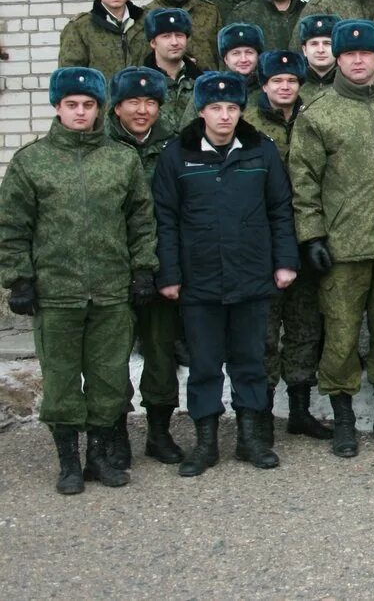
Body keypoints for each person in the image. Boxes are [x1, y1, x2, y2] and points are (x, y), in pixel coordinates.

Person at [0, 68, 156, 493]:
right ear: (57, 108)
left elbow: (141, 220)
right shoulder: (32, 162)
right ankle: (68, 461)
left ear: (100, 109)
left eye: (88, 105)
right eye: (72, 105)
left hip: (110, 292)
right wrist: (19, 279)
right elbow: (13, 224)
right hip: (56, 294)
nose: (81, 112)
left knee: (108, 379)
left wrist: (143, 269)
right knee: (62, 381)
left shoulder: (120, 159)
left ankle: (99, 458)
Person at [152, 71, 298, 476]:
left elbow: (280, 209)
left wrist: (285, 262)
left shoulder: (260, 151)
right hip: (199, 280)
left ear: (241, 111)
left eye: (232, 108)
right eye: (215, 108)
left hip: (252, 275)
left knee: (251, 360)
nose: (224, 116)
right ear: (201, 111)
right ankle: (205, 443)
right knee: (204, 364)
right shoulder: (176, 155)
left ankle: (250, 439)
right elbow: (164, 218)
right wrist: (169, 273)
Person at [289, 20, 374, 458]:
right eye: (349, 54)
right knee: (341, 336)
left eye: (366, 54)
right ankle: (344, 420)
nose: (358, 61)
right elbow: (303, 181)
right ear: (337, 59)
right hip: (343, 248)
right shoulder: (319, 112)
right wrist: (312, 236)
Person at [244, 49, 332, 443]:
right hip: (261, 242)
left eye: (292, 81)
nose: (284, 87)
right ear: (264, 84)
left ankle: (299, 410)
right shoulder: (245, 123)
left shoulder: (314, 117)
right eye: (277, 81)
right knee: (263, 333)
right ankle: (260, 416)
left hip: (307, 236)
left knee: (304, 328)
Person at [105, 66, 181, 468]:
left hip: (162, 266)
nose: (142, 110)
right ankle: (116, 432)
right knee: (113, 354)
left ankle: (159, 431)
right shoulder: (99, 145)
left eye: (150, 102)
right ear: (117, 107)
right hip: (112, 269)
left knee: (161, 350)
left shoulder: (173, 145)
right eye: (133, 101)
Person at [58, 0, 149, 80]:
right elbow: (70, 76)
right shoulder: (80, 27)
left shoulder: (146, 22)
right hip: (101, 98)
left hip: (140, 96)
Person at [142, 7, 203, 133]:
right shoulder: (141, 84)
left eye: (179, 35)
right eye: (166, 36)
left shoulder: (202, 82)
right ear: (153, 42)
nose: (174, 42)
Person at [297, 13, 340, 103]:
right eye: (314, 44)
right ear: (304, 50)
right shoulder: (293, 84)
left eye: (327, 43)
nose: (320, 50)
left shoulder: (349, 83)